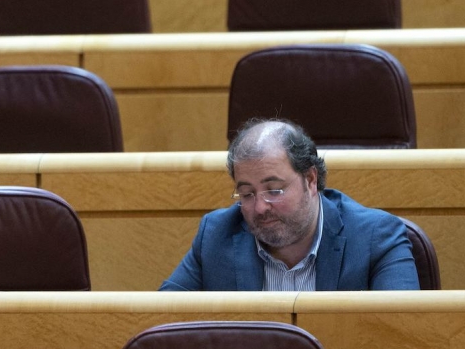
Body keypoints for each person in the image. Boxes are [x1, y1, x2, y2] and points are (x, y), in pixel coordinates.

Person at [160, 118, 419, 291]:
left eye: (274, 190)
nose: (260, 208)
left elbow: (404, 337)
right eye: (247, 194)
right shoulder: (216, 235)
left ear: (310, 179)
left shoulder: (376, 237)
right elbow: (162, 325)